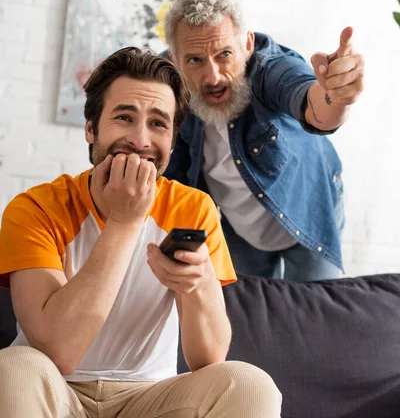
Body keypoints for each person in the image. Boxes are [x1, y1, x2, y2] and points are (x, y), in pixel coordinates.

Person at [0, 47, 282, 418]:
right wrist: (125, 222)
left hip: (149, 399)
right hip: (55, 392)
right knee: (15, 365)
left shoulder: (193, 209)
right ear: (91, 128)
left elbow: (209, 358)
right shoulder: (35, 209)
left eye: (158, 123)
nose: (141, 139)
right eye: (124, 117)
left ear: (172, 138)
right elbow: (58, 351)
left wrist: (195, 286)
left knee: (249, 384)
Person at [163, 0, 365, 281]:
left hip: (307, 209)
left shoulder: (271, 69)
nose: (213, 76)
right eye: (194, 60)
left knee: (315, 316)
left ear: (247, 44)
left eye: (224, 55)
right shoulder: (165, 82)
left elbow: (313, 104)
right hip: (240, 227)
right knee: (250, 316)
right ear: (175, 59)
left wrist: (338, 95)